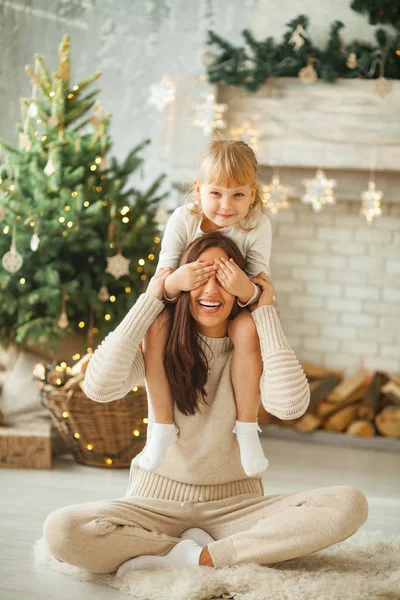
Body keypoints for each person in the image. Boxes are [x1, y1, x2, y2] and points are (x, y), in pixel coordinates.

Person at [43, 232, 368, 576]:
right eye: (200, 277)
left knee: (348, 503)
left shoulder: (249, 344)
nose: (211, 291)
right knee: (62, 530)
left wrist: (265, 310)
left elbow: (289, 407)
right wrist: (152, 298)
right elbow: (98, 387)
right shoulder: (161, 339)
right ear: (182, 283)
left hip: (236, 507)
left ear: (241, 288)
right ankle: (188, 551)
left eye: (224, 279)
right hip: (155, 503)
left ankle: (201, 558)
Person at [139, 136, 274, 478]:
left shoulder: (257, 225)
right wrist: (179, 280)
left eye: (238, 194)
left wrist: (243, 288)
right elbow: (162, 279)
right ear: (198, 190)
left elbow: (262, 287)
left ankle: (246, 428)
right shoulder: (183, 219)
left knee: (247, 329)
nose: (226, 205)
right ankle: (162, 427)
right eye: (216, 193)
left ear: (252, 194)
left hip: (234, 306)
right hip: (183, 304)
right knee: (154, 330)